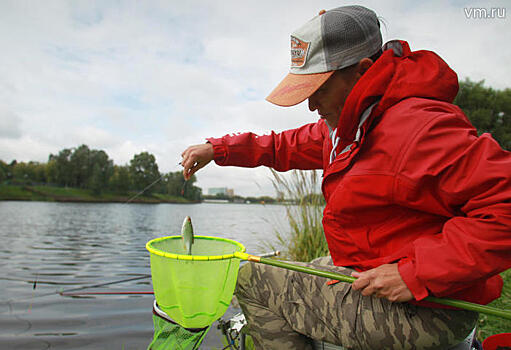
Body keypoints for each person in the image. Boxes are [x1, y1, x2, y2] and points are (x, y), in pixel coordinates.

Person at [181, 5, 511, 350]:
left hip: (428, 311)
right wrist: (217, 149)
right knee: (297, 267)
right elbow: (282, 146)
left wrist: (415, 273)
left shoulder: (418, 128)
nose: (310, 105)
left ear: (362, 72)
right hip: (391, 277)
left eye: (319, 87)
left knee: (248, 277)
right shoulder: (349, 126)